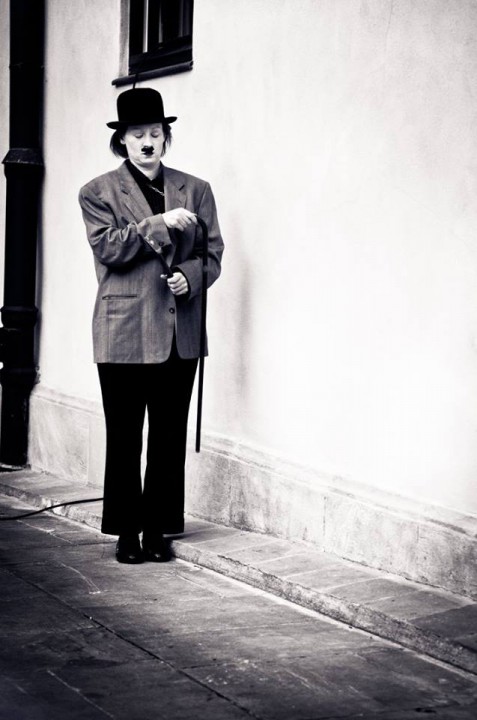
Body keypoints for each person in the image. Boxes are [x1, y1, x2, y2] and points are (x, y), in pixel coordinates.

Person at [79, 87, 224, 564]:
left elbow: (212, 253)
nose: (147, 142)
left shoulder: (196, 189)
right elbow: (110, 248)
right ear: (121, 140)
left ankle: (158, 530)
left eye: (155, 133)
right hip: (123, 330)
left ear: (166, 137)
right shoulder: (97, 191)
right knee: (124, 436)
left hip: (180, 333)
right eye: (137, 134)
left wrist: (190, 277)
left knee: (167, 435)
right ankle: (127, 532)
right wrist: (160, 222)